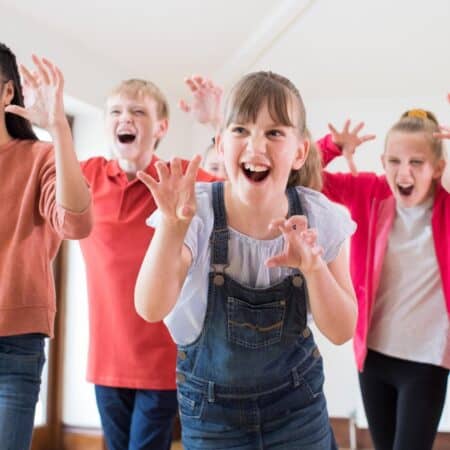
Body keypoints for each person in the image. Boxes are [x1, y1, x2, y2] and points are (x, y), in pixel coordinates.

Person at [135, 71, 358, 449]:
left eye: (274, 132)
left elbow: (341, 330)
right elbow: (150, 307)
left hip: (298, 409)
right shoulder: (197, 212)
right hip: (211, 416)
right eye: (241, 130)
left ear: (300, 151)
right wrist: (173, 226)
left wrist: (314, 267)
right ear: (221, 145)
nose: (256, 145)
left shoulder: (321, 217)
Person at [78, 76, 216, 450]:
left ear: (161, 127)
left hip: (163, 359)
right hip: (106, 357)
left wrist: (216, 124)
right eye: (117, 112)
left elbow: (236, 190)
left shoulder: (177, 177)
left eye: (139, 111)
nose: (126, 119)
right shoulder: (87, 175)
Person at [318, 103, 450, 450]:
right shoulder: (369, 192)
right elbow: (303, 177)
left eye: (416, 163)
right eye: (395, 161)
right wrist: (330, 146)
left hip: (428, 361)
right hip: (373, 356)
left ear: (438, 168)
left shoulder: (448, 208)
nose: (404, 173)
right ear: (383, 163)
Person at [0, 45, 92, 450]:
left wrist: (59, 131)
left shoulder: (40, 157)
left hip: (15, 345)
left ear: (7, 94)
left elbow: (75, 222)